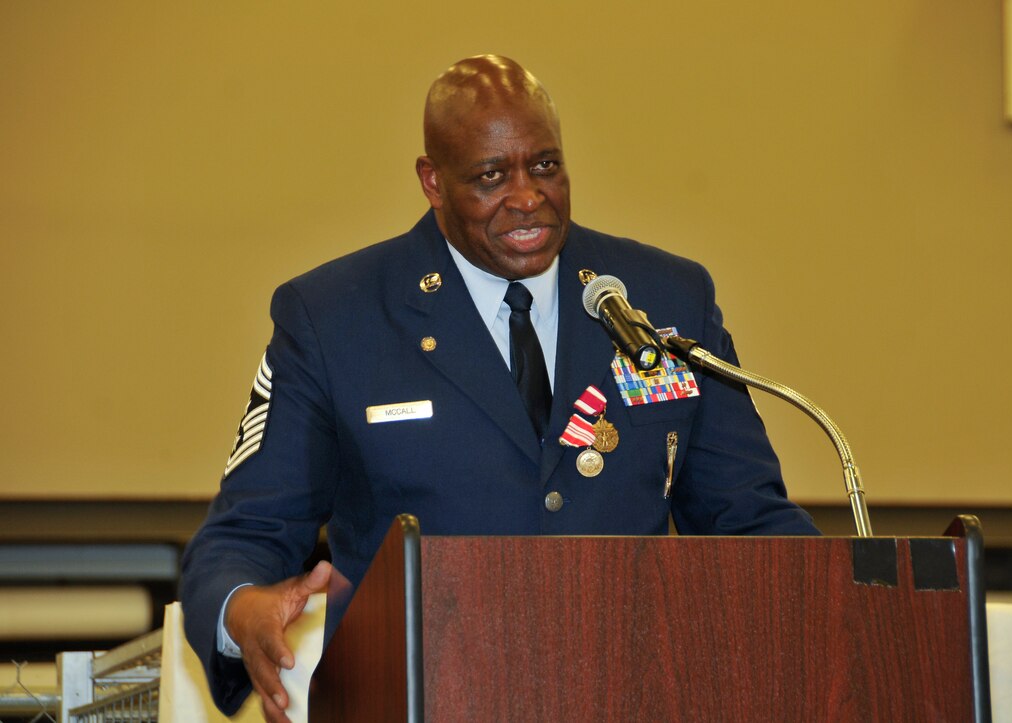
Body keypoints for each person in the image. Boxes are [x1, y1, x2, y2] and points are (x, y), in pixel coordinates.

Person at [180, 54, 818, 721]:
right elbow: (245, 531)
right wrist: (239, 607)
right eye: (490, 176)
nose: (526, 197)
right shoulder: (336, 318)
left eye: (545, 165)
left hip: (633, 696)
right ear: (432, 182)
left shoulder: (661, 299)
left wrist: (851, 605)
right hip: (417, 700)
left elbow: (751, 522)